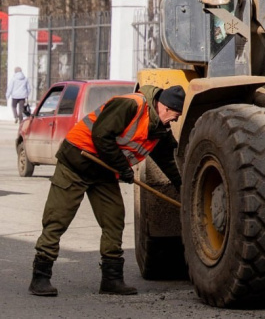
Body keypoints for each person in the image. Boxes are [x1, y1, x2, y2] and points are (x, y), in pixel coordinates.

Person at [29, 85, 185, 297]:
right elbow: (101, 135)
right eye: (174, 116)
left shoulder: (159, 129)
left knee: (114, 219)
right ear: (165, 107)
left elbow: (167, 161)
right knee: (57, 219)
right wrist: (123, 168)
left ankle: (111, 279)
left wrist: (182, 188)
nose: (173, 122)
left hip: (103, 171)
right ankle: (40, 277)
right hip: (77, 161)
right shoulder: (131, 105)